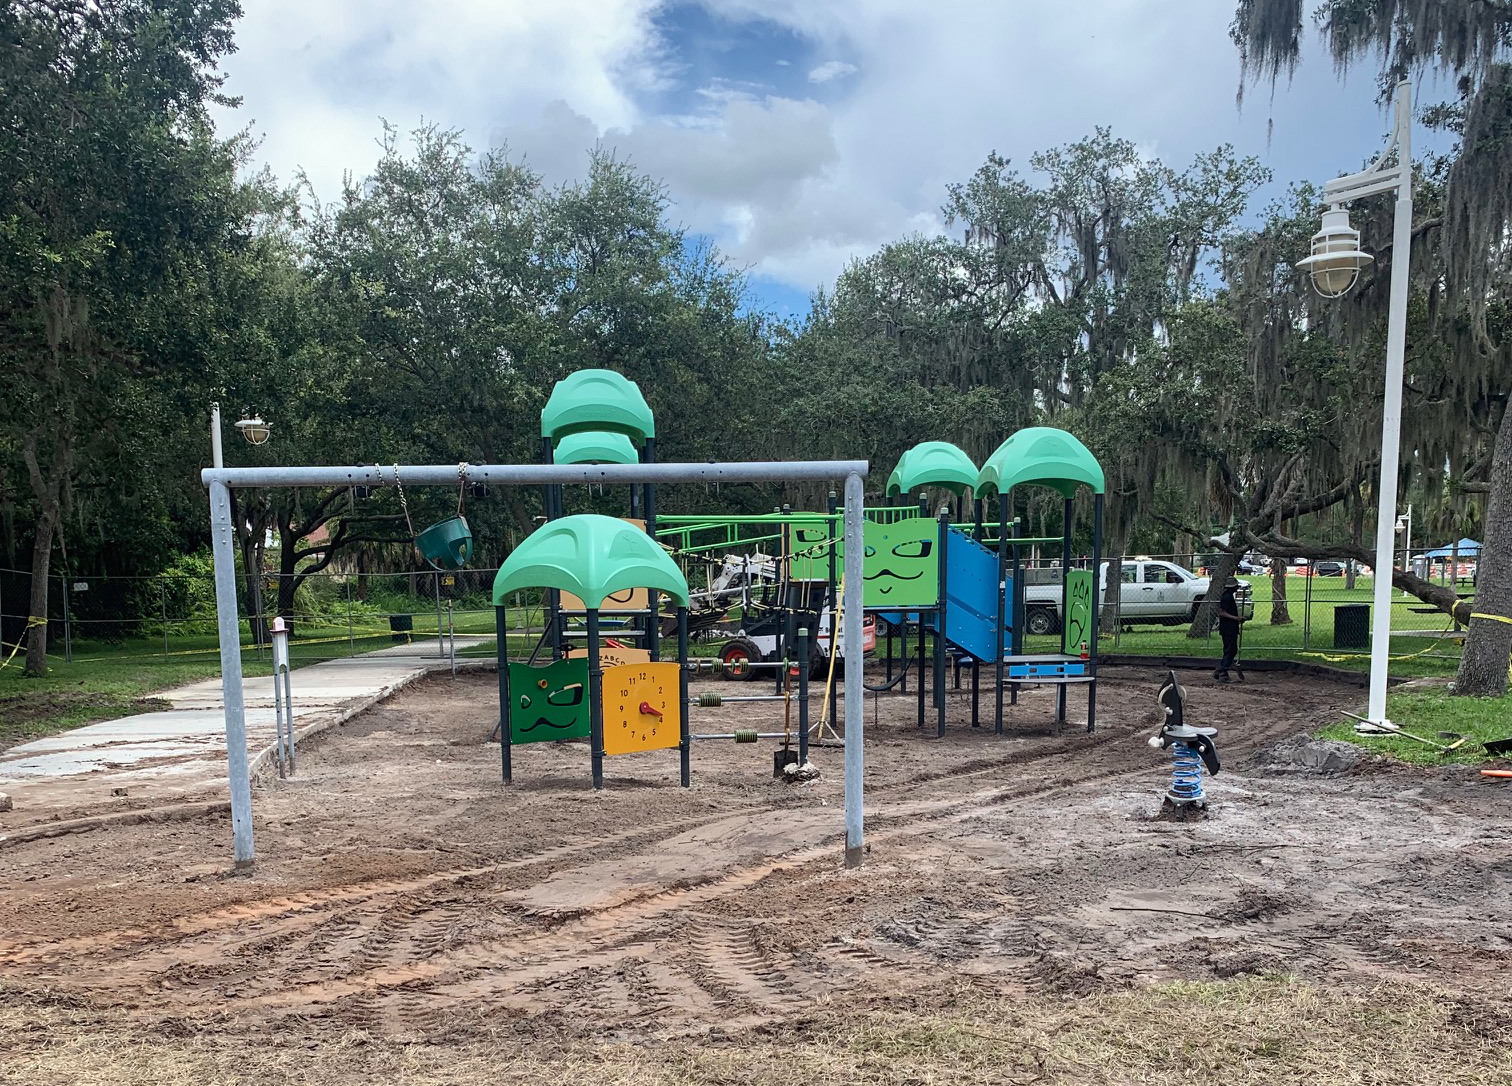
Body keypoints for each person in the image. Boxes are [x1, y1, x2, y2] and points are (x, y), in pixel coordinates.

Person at [1213, 576, 1244, 682]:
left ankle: (1221, 669)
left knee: (1230, 649)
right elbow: (1221, 612)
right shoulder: (1227, 597)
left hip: (1230, 627)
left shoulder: (1228, 596)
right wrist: (1236, 618)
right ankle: (1222, 671)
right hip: (1228, 627)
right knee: (1231, 649)